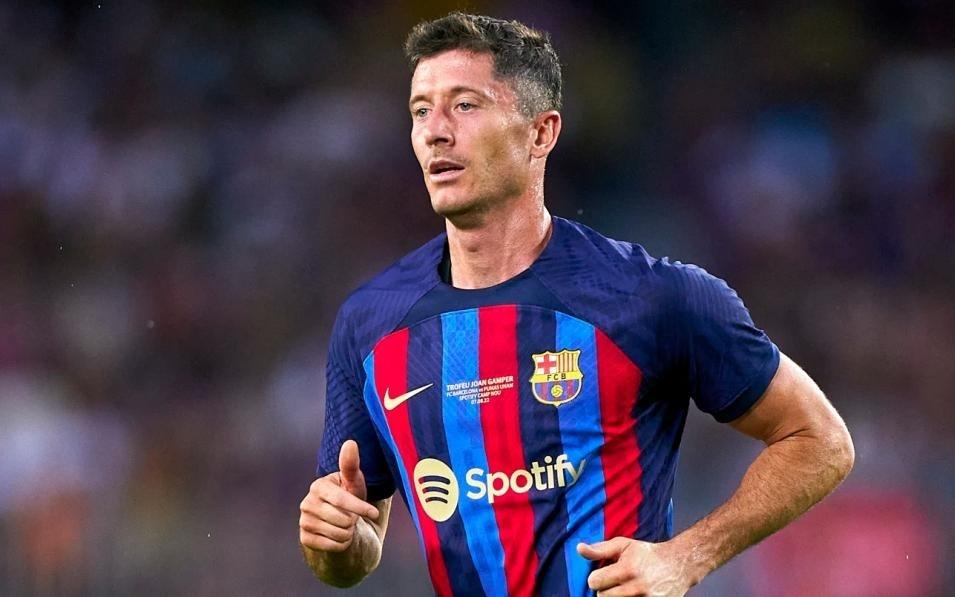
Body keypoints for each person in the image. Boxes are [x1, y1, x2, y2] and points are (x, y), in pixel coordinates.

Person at [298, 12, 854, 597]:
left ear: (541, 133)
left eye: (464, 105)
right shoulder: (371, 323)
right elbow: (352, 552)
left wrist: (688, 557)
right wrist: (336, 544)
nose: (435, 131)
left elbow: (819, 441)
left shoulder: (651, 297)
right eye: (420, 111)